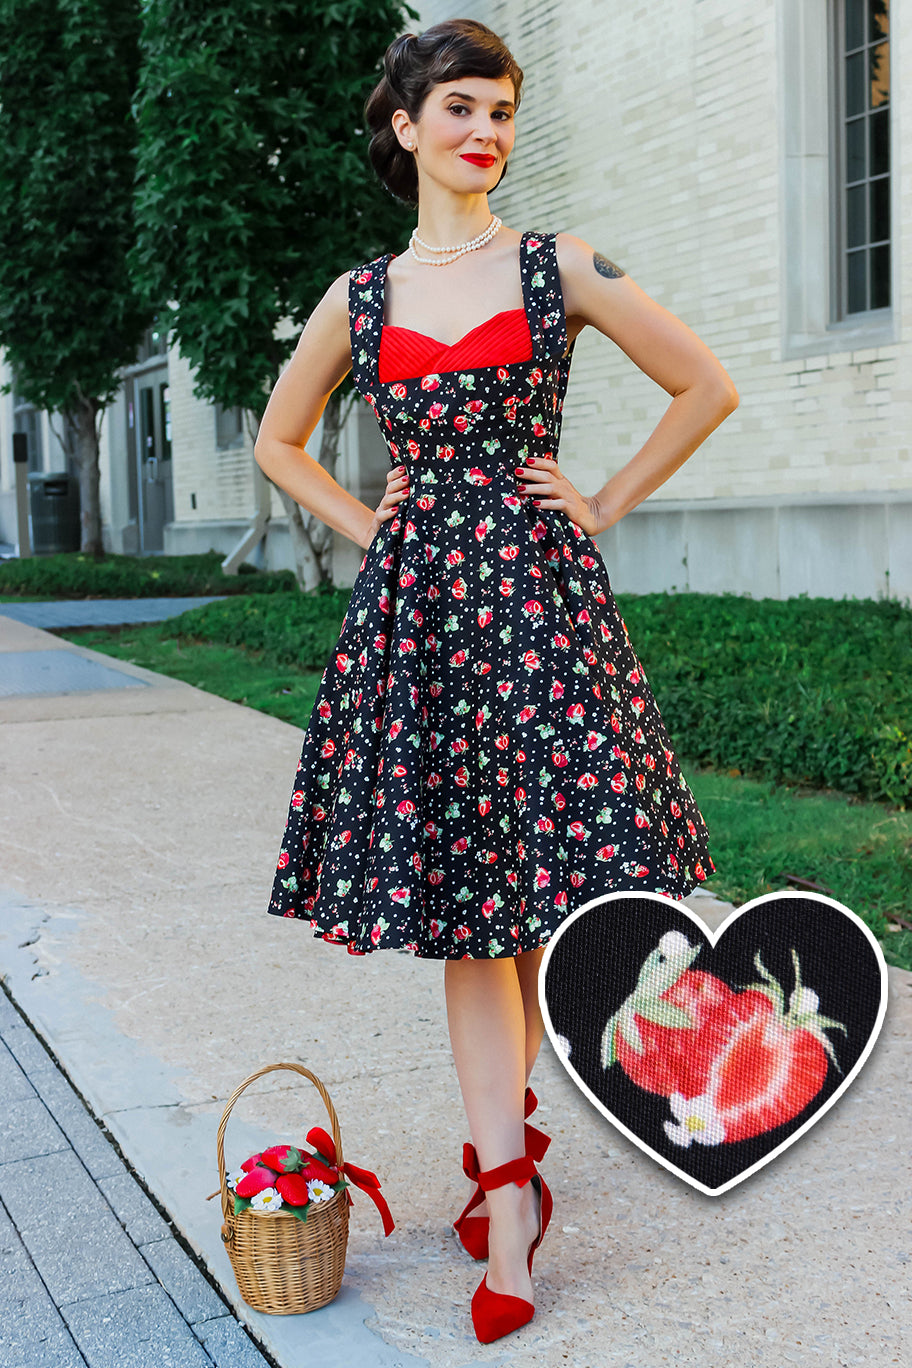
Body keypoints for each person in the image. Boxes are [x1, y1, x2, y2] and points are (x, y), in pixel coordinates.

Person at [253, 17, 738, 1344]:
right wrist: (373, 530)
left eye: (503, 112)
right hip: (423, 626)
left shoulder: (560, 264)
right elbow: (279, 442)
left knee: (543, 901)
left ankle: (498, 1167)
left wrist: (605, 501)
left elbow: (705, 385)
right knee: (473, 921)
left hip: (541, 613)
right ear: (405, 127)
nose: (485, 133)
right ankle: (510, 1202)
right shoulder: (358, 299)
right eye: (459, 109)